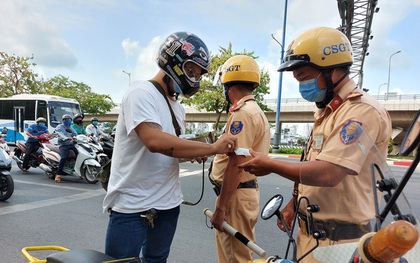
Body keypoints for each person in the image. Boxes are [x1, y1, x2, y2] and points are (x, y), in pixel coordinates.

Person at [238, 27, 392, 263]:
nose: (301, 86)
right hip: (310, 237)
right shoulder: (328, 112)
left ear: (332, 70)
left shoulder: (361, 111)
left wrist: (271, 164)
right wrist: (293, 203)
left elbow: (329, 172)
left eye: (304, 77)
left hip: (340, 244)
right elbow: (312, 165)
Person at [102, 31, 238, 262]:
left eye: (199, 74)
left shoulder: (178, 107)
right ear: (172, 60)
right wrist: (212, 148)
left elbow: (171, 150)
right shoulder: (140, 92)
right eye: (191, 70)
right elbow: (154, 141)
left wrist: (191, 152)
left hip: (167, 204)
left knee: (157, 260)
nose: (195, 78)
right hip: (132, 205)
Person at [209, 55, 270, 263]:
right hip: (242, 194)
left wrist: (220, 207)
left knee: (234, 258)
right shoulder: (255, 111)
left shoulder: (242, 114)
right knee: (239, 255)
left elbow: (236, 164)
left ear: (228, 85)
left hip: (235, 196)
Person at [54, 114, 78, 183]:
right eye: (66, 120)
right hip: (63, 145)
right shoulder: (60, 127)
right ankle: (58, 174)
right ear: (63, 120)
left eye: (69, 120)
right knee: (63, 158)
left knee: (79, 155)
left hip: (72, 144)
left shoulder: (71, 128)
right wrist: (66, 138)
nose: (68, 121)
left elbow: (76, 134)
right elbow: (60, 134)